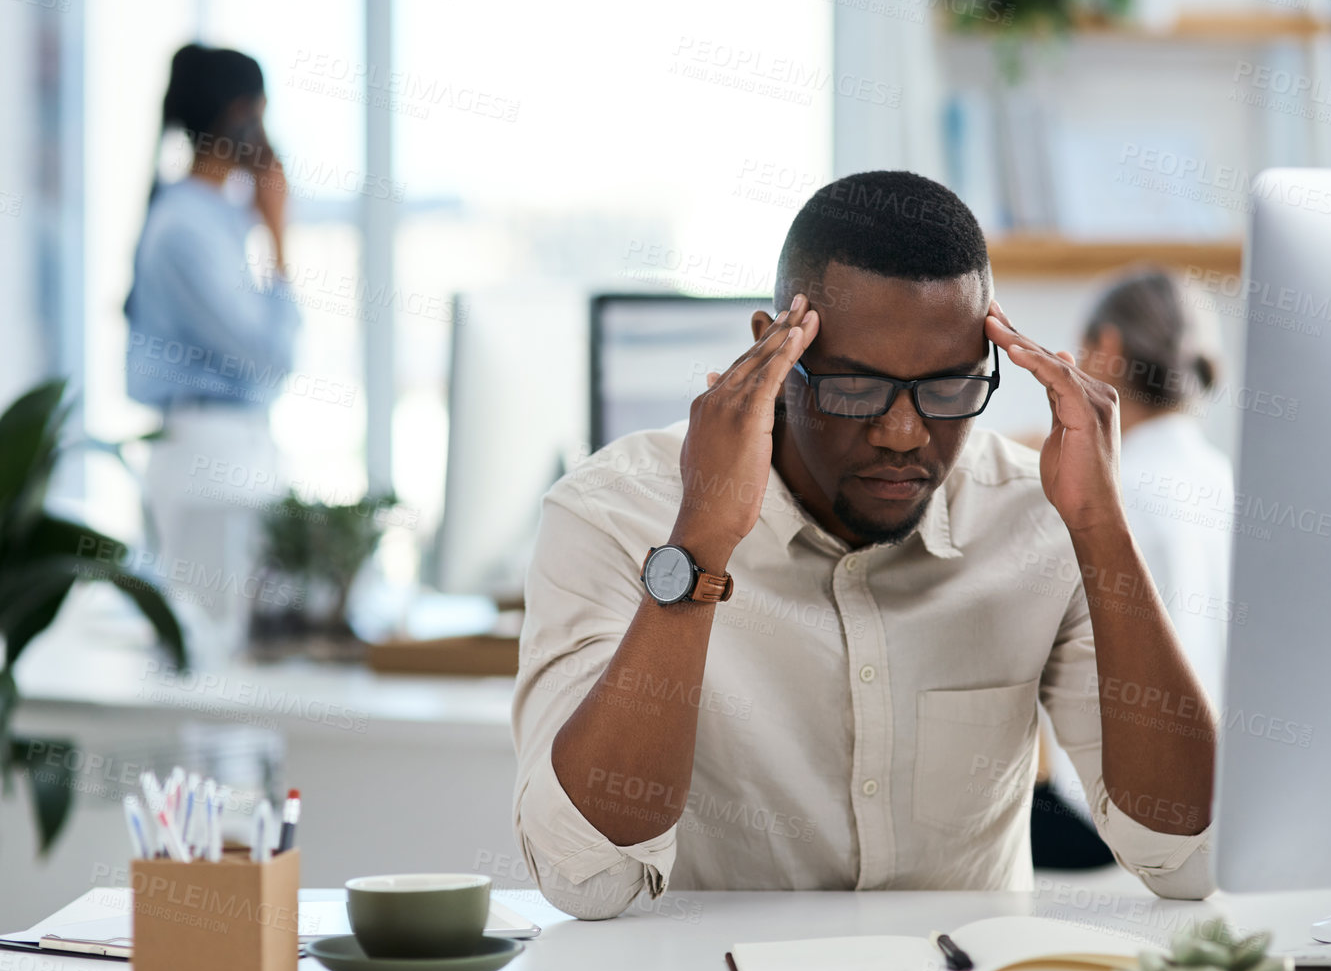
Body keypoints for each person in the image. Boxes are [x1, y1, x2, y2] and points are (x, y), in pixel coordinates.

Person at [512, 171, 1218, 920]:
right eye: (855, 388)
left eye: (948, 388)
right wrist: (699, 545)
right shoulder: (612, 513)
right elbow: (584, 877)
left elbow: (1185, 858)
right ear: (773, 352)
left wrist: (1101, 529)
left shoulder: (1033, 516)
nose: (902, 433)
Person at [1031, 268, 1235, 869]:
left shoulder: (1109, 497)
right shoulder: (1217, 478)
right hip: (1217, 794)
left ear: (1109, 348)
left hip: (1113, 815)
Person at [124, 44, 299, 660]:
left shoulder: (214, 219)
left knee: (239, 664)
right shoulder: (188, 226)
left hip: (229, 448)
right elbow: (269, 353)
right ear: (240, 116)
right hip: (207, 456)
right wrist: (279, 232)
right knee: (215, 667)